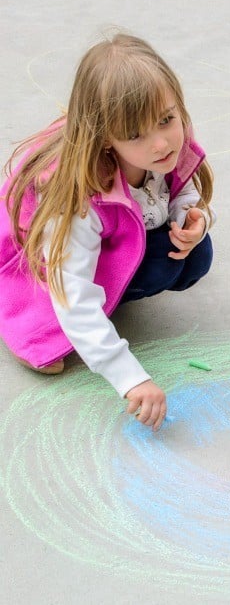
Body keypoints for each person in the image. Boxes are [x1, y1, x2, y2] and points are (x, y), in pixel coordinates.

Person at [0, 33, 215, 431]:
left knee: (192, 257)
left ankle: (124, 273)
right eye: (136, 135)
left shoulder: (164, 139)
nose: (161, 142)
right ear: (104, 140)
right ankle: (28, 326)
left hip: (117, 232)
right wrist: (130, 377)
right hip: (49, 259)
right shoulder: (80, 199)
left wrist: (191, 215)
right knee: (56, 324)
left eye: (167, 119)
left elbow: (181, 185)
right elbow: (72, 293)